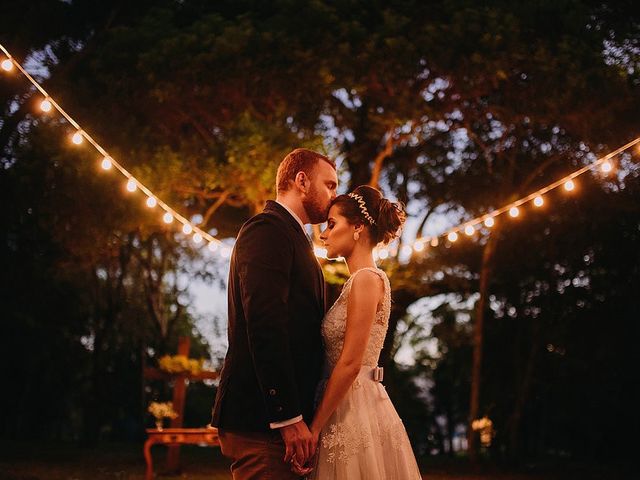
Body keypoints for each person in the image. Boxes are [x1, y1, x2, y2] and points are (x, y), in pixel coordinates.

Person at [210, 148, 338, 479]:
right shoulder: (267, 230)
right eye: (330, 185)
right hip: (263, 422)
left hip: (283, 425)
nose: (334, 195)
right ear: (301, 180)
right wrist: (287, 416)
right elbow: (265, 323)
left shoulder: (295, 238)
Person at [308, 185, 422, 479]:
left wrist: (314, 428)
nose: (323, 234)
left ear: (357, 227)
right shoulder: (357, 281)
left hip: (353, 407)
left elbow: (350, 363)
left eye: (332, 224)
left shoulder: (367, 280)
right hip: (342, 401)